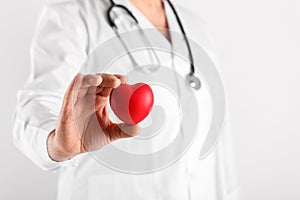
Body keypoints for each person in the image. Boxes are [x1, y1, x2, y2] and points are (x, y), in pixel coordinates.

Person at [12, 0, 239, 199]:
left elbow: (218, 135)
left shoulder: (194, 26)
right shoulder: (74, 17)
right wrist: (56, 143)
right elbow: (36, 103)